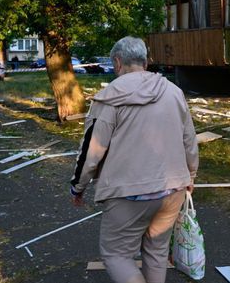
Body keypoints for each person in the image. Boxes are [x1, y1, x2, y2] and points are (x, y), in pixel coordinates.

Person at [70, 36, 199, 283]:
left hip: (128, 193)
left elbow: (91, 151)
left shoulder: (107, 99)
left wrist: (78, 186)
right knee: (157, 251)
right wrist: (191, 176)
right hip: (173, 188)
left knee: (116, 255)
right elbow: (189, 140)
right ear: (146, 62)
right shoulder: (174, 92)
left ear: (117, 63)